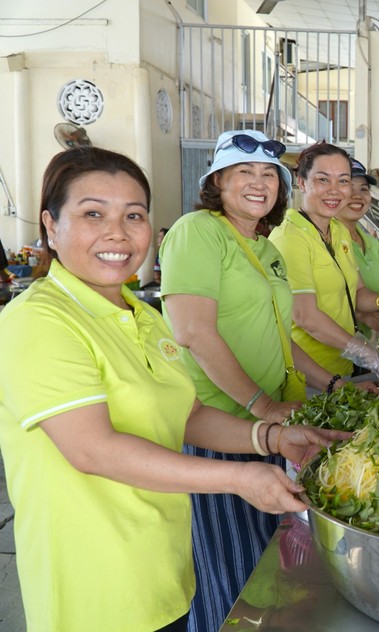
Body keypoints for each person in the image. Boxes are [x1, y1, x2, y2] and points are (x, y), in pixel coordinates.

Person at [0, 146, 347, 631]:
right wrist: (239, 478)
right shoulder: (38, 321)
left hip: (163, 571)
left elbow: (186, 414)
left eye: (134, 215)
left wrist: (270, 437)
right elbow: (92, 450)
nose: (117, 233)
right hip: (93, 590)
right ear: (51, 226)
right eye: (93, 213)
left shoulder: (143, 315)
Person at [160, 130, 356, 632]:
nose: (259, 182)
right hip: (220, 429)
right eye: (244, 171)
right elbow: (193, 332)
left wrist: (332, 385)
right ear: (217, 181)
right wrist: (262, 405)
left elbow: (280, 338)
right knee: (229, 570)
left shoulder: (264, 248)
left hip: (272, 429)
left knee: (267, 564)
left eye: (269, 173)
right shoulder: (197, 230)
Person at [269, 143, 379, 376]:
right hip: (308, 375)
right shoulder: (290, 237)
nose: (335, 190)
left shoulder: (338, 231)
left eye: (342, 181)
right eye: (322, 180)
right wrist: (367, 353)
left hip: (342, 368)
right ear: (301, 182)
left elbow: (357, 293)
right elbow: (305, 316)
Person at [337, 158, 379, 337]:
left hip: (365, 351)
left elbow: (377, 292)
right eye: (348, 187)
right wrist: (361, 316)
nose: (357, 195)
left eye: (363, 189)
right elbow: (311, 304)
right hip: (329, 349)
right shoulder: (324, 239)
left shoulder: (372, 242)